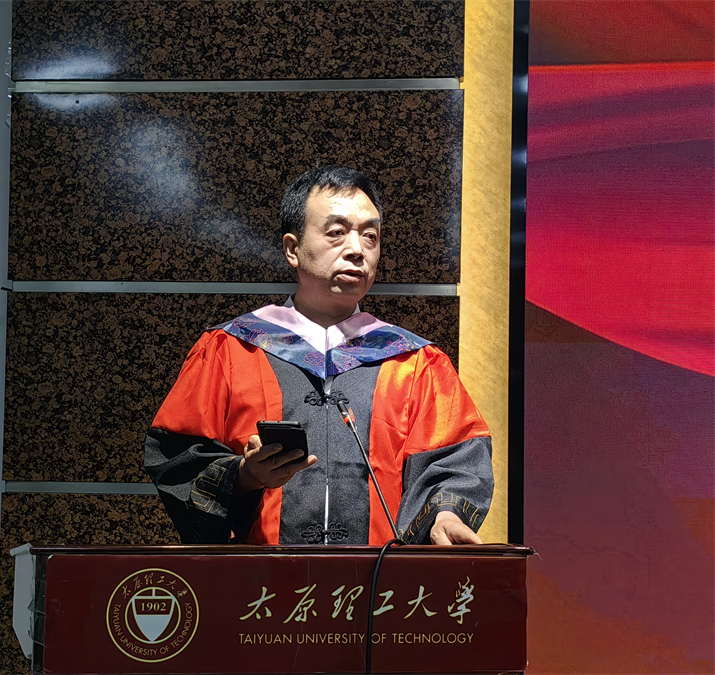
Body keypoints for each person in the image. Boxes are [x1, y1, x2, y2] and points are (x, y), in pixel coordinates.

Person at [144, 166, 493, 546]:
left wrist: (444, 514)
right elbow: (178, 456)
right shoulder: (231, 349)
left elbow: (454, 461)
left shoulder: (415, 362)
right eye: (337, 232)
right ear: (292, 249)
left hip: (380, 577)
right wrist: (244, 475)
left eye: (370, 236)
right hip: (259, 577)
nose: (357, 249)